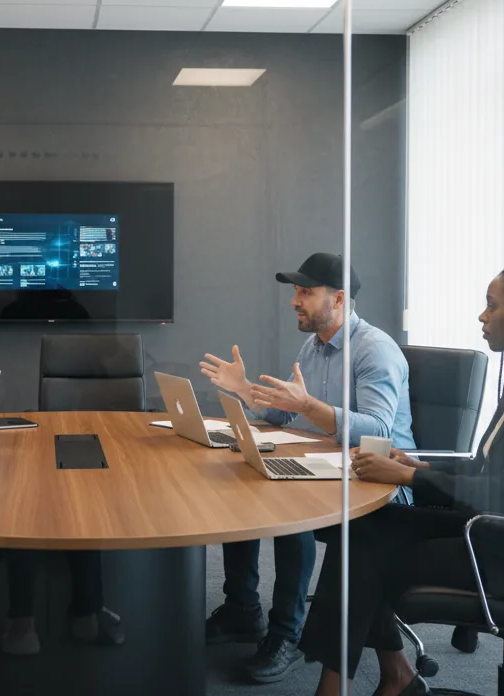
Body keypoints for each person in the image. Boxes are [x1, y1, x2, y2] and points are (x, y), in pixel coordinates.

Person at [300, 260, 504, 696]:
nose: (482, 316)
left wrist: (408, 476)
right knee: (363, 528)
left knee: (366, 554)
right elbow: (490, 468)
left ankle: (355, 684)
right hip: (499, 529)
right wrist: (424, 468)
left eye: (491, 306)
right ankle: (389, 677)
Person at [199, 252, 415, 684]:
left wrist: (309, 407)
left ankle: (287, 634)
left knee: (289, 508)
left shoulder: (375, 350)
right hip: (330, 467)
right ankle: (243, 609)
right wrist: (247, 391)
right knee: (246, 480)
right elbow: (286, 414)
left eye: (305, 293)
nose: (295, 301)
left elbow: (377, 429)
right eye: (295, 292)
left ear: (338, 299)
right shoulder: (314, 344)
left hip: (382, 482)